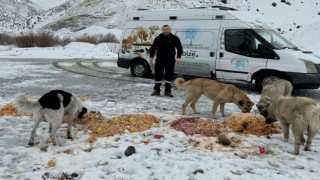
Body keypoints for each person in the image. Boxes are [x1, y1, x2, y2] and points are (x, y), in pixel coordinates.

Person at [149, 25, 183, 97]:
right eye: (164, 29)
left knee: (169, 75)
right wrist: (151, 57)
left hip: (170, 60)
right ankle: (157, 90)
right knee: (158, 74)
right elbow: (153, 48)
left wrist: (178, 57)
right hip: (159, 60)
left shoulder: (175, 38)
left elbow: (179, 48)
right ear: (162, 30)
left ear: (170, 29)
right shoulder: (158, 38)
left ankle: (168, 91)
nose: (166, 30)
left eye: (167, 29)